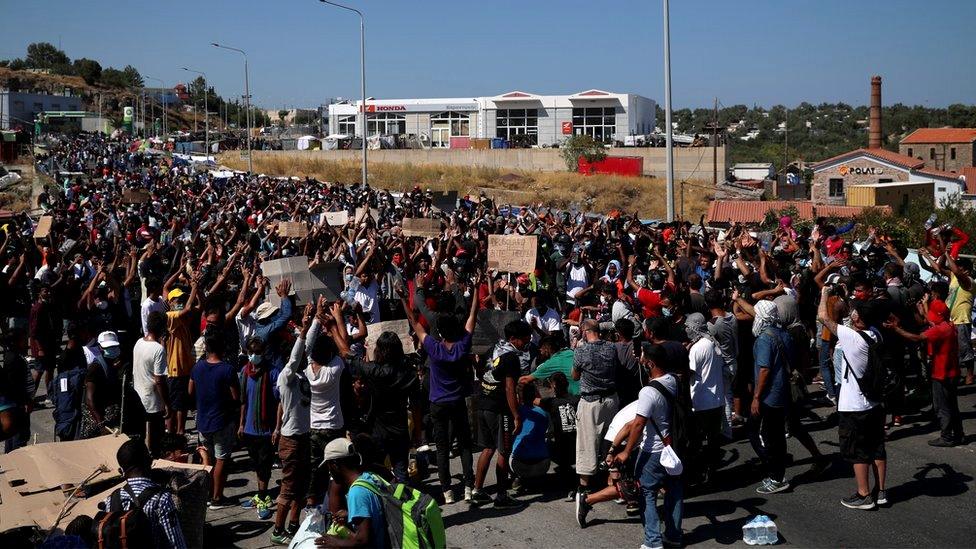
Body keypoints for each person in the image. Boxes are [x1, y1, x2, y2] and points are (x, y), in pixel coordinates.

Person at [406, 279, 477, 504]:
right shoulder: (462, 346)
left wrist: (402, 299)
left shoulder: (433, 347)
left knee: (442, 446)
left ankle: (447, 491)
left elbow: (415, 323)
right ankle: (468, 486)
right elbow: (472, 318)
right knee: (465, 445)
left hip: (438, 402)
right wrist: (475, 292)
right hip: (457, 401)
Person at [819, 286, 887, 510]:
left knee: (858, 450)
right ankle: (881, 491)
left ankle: (863, 494)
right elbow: (854, 315)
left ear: (858, 319)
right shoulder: (875, 333)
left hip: (854, 405)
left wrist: (824, 294)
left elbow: (823, 317)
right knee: (877, 447)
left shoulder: (852, 337)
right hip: (874, 401)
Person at [612, 343, 682, 549]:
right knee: (674, 492)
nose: (640, 362)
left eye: (642, 359)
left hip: (654, 450)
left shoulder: (648, 392)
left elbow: (638, 424)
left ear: (650, 363)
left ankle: (652, 541)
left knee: (646, 493)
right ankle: (674, 535)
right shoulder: (674, 380)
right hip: (674, 448)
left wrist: (626, 451)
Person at [885, 298, 964, 446]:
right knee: (953, 405)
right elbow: (931, 321)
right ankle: (959, 434)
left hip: (941, 373)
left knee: (942, 406)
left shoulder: (939, 330)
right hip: (952, 372)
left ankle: (946, 436)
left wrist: (897, 329)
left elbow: (917, 337)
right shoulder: (950, 326)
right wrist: (922, 310)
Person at [471, 320, 532, 508]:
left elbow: (480, 369)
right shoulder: (512, 357)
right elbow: (509, 388)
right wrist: (516, 415)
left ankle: (477, 491)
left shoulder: (493, 348)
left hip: (482, 403)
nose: (526, 343)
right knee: (504, 450)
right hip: (499, 408)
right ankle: (501, 496)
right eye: (524, 340)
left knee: (487, 449)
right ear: (514, 338)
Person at [271, 303, 315, 545]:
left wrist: (315, 321)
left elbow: (306, 348)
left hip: (304, 437)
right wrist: (304, 328)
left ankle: (294, 525)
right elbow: (299, 353)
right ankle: (278, 530)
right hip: (291, 440)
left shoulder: (301, 376)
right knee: (288, 488)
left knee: (301, 487)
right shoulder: (286, 377)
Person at [100, 439, 187, 549]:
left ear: (121, 471)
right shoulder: (161, 499)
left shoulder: (111, 500)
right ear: (150, 461)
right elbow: (176, 544)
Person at [189, 333, 240, 509]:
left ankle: (208, 495)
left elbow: (190, 391)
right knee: (221, 459)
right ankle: (217, 497)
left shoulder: (197, 368)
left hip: (203, 421)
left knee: (207, 458)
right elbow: (236, 396)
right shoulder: (227, 369)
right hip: (222, 421)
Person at [572, 318, 620, 498]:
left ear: (585, 331)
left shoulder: (581, 350)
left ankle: (584, 487)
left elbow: (575, 376)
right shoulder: (611, 347)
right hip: (611, 399)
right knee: (611, 442)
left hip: (591, 402)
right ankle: (614, 482)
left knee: (587, 444)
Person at [749, 300, 792, 494]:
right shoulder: (783, 332)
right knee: (774, 435)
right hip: (781, 391)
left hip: (769, 395)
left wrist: (756, 397)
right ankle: (776, 471)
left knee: (766, 434)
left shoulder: (764, 339)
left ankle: (776, 476)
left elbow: (764, 369)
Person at [238, 335, 282, 519]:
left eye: (257, 352)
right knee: (256, 464)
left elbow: (280, 402)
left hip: (266, 429)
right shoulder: (245, 372)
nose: (254, 356)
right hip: (249, 429)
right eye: (251, 352)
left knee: (264, 465)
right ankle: (260, 494)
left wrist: (277, 428)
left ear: (263, 353)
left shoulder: (272, 373)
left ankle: (263, 498)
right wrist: (241, 424)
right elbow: (243, 401)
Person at [315, 438, 388, 548]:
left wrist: (335, 542)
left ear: (335, 464)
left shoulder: (357, 492)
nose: (329, 472)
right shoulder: (371, 477)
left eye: (328, 466)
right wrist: (351, 515)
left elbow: (362, 540)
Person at [684, 312, 726, 484]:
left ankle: (700, 473)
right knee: (713, 439)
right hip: (716, 400)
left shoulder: (698, 348)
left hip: (702, 401)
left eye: (688, 326)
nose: (686, 329)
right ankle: (712, 472)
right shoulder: (712, 343)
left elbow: (690, 372)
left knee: (696, 441)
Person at [164, 274, 201, 435]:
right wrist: (193, 287)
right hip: (175, 369)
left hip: (186, 368)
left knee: (183, 404)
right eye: (176, 300)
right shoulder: (170, 317)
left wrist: (196, 288)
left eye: (181, 299)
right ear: (170, 303)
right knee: (176, 405)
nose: (180, 302)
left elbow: (199, 306)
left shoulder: (183, 319)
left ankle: (179, 433)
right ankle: (177, 434)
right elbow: (187, 308)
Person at [132, 311, 170, 457]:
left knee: (144, 437)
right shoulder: (158, 350)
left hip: (139, 397)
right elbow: (159, 380)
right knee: (155, 442)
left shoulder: (138, 343)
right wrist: (167, 403)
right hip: (153, 402)